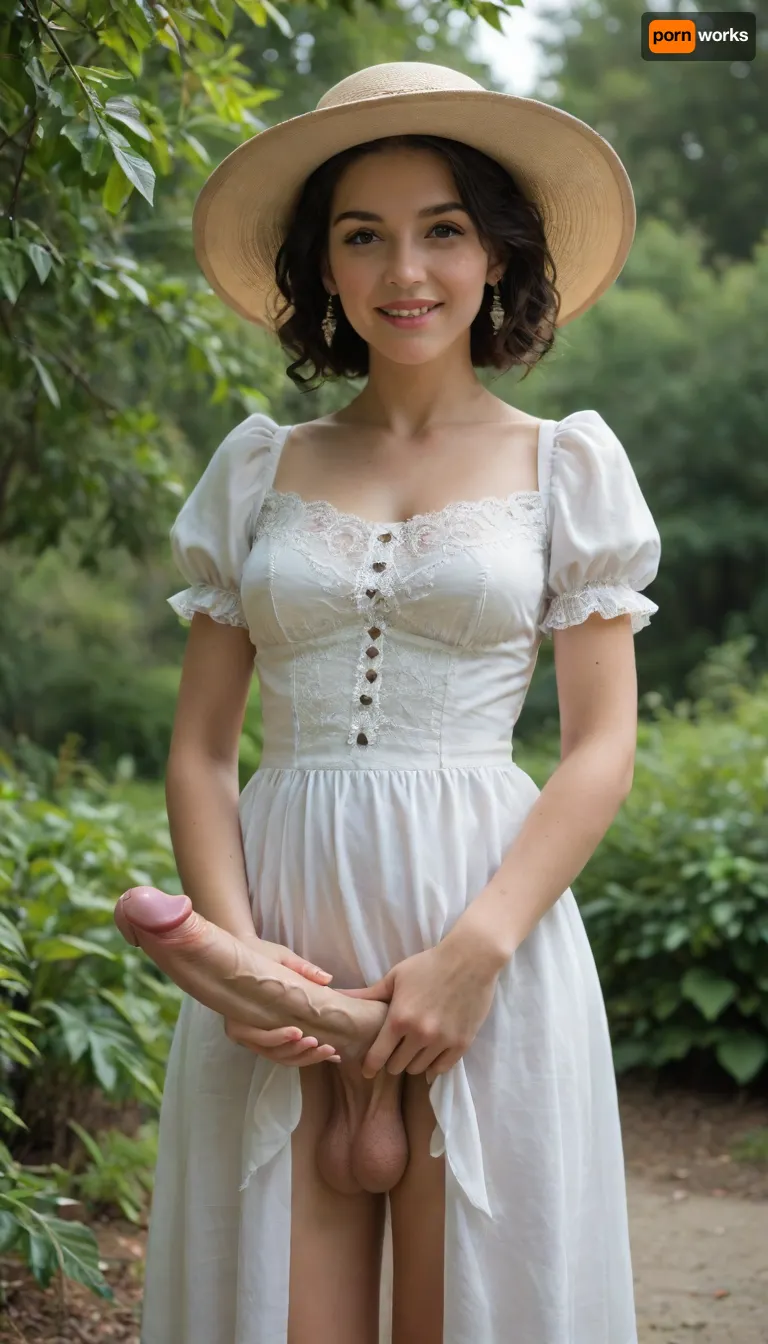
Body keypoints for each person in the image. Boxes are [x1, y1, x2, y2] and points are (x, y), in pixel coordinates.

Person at [118, 60, 662, 1344]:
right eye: (362, 235)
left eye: (443, 229)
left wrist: (478, 952)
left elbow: (602, 746)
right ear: (322, 266)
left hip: (486, 920)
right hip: (276, 920)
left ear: (497, 255)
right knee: (275, 1313)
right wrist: (240, 965)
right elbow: (200, 753)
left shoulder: (563, 466)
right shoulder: (261, 469)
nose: (402, 270)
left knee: (473, 1308)